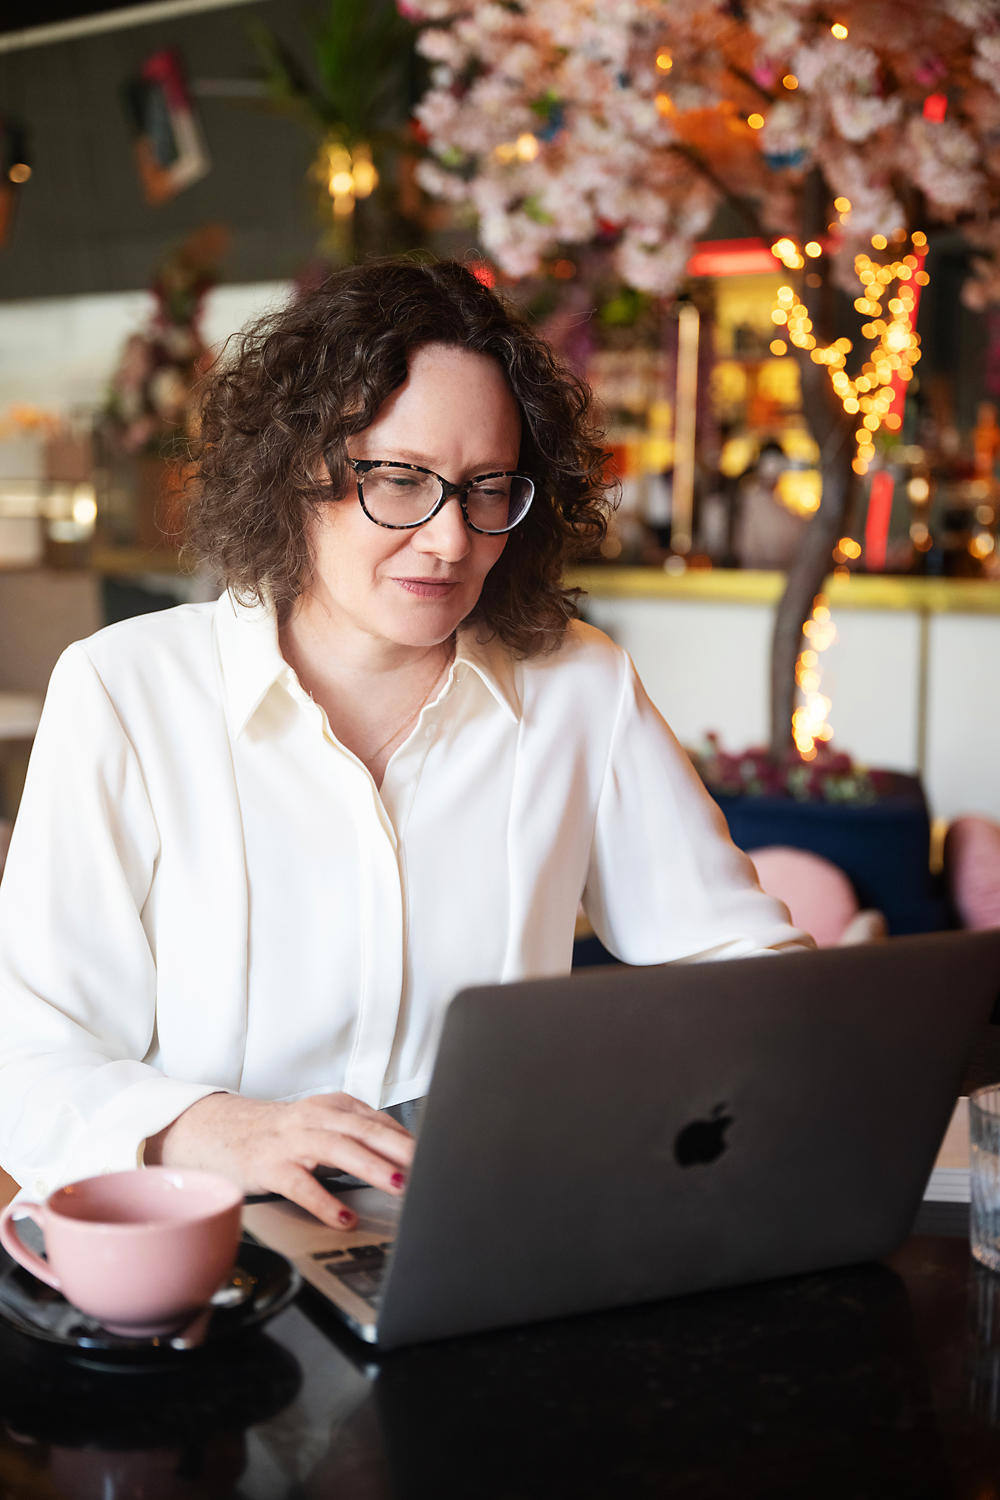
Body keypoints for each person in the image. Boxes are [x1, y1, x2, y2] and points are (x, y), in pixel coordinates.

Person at [0, 260, 807, 1229]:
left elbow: (738, 964)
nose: (449, 540)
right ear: (297, 471)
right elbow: (27, 1056)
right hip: (214, 1236)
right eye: (399, 482)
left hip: (488, 1228)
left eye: (485, 490)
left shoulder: (577, 685)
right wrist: (215, 1127)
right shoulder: (130, 689)